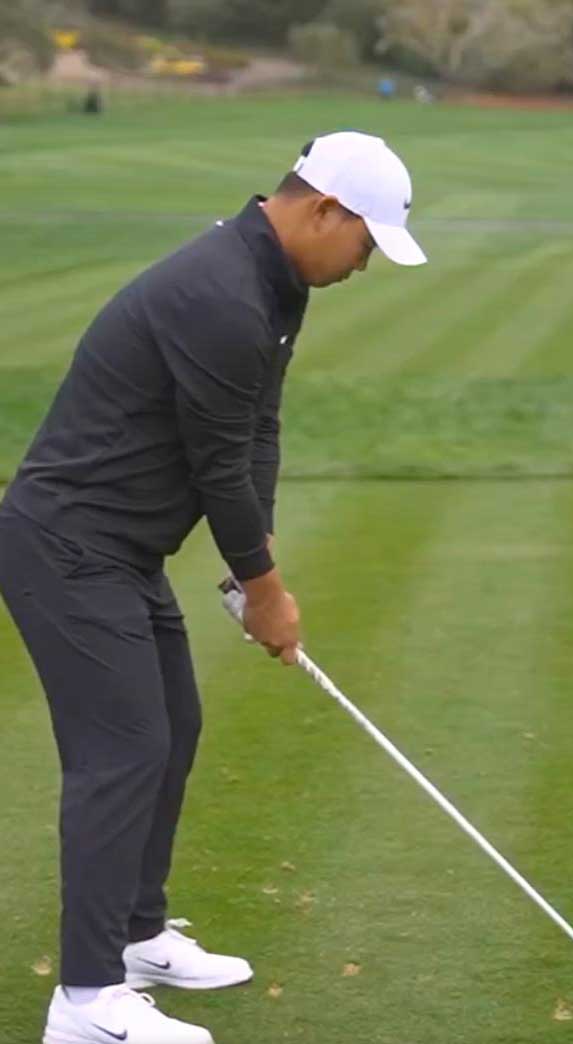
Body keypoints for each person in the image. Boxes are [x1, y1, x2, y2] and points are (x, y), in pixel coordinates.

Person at [0, 132, 426, 1044]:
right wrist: (268, 593)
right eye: (365, 242)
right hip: (67, 547)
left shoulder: (275, 283)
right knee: (121, 753)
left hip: (121, 552)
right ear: (322, 210)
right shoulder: (221, 294)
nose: (365, 263)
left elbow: (257, 429)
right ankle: (83, 1003)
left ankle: (138, 936)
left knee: (174, 727)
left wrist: (251, 558)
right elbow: (216, 464)